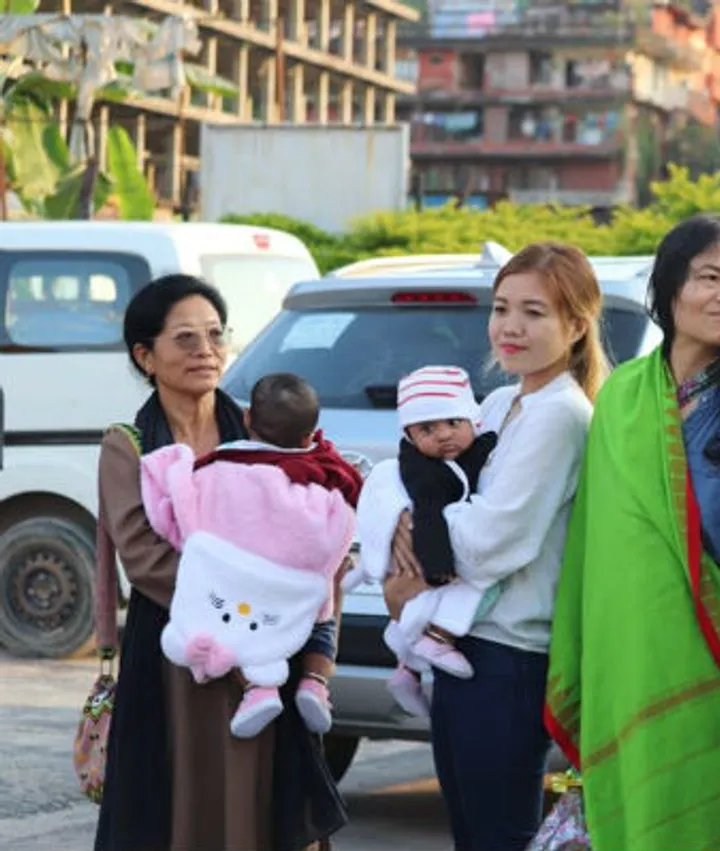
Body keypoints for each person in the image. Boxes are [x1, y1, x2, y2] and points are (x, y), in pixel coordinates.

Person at [545, 214, 720, 851]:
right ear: (669, 292)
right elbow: (598, 553)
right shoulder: (622, 399)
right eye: (711, 277)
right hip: (633, 682)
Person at [94, 275, 345, 851]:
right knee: (189, 800)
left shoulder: (257, 428)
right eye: (184, 338)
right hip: (183, 657)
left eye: (214, 334)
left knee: (263, 796)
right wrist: (240, 606)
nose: (204, 350)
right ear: (145, 355)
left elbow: (309, 510)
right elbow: (143, 558)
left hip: (270, 651)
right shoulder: (129, 445)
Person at [381, 243, 605, 851]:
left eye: (534, 313)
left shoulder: (561, 414)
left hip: (509, 660)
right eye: (502, 307)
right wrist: (410, 521)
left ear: (576, 324)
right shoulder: (503, 402)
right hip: (467, 648)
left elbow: (488, 544)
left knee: (498, 838)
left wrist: (410, 529)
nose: (510, 327)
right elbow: (442, 493)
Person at [139, 372, 360, 739]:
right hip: (291, 597)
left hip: (232, 589)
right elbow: (338, 534)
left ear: (246, 419)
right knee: (322, 616)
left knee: (236, 628)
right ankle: (315, 683)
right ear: (310, 435)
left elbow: (180, 515)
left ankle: (258, 690)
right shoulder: (318, 485)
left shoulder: (216, 472)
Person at [348, 365, 499, 716]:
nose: (444, 435)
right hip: (432, 561)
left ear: (472, 421)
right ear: (410, 435)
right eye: (427, 429)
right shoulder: (422, 470)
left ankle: (407, 671)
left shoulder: (481, 446)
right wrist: (439, 569)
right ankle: (438, 639)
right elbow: (428, 518)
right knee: (474, 587)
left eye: (453, 423)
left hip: (428, 564)